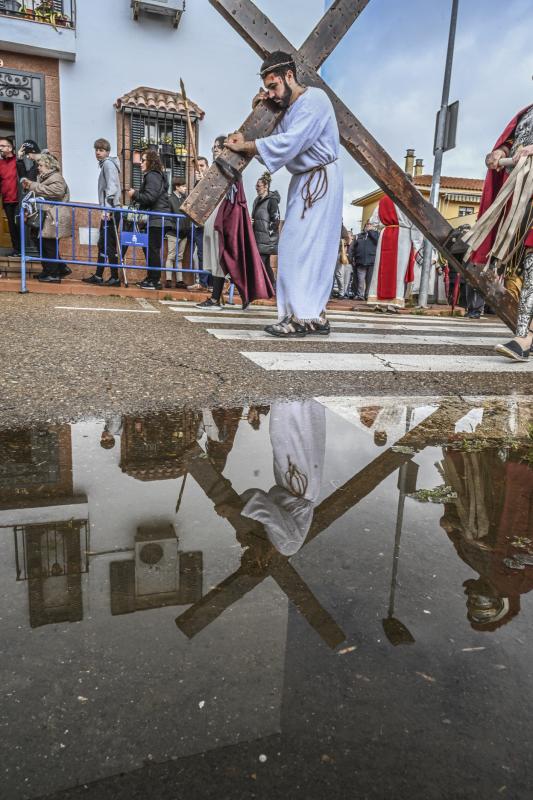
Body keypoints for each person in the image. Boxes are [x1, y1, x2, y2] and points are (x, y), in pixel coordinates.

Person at [225, 49, 343, 337]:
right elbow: (282, 135)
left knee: (302, 250)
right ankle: (312, 314)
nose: (273, 93)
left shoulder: (315, 100)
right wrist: (263, 113)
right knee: (302, 248)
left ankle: (302, 316)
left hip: (321, 181)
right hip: (305, 182)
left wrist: (247, 145)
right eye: (268, 88)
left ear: (290, 76)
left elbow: (290, 142)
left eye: (274, 86)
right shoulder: (290, 109)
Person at [467, 103, 533, 360]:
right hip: (522, 198)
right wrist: (500, 151)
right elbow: (513, 141)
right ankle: (526, 335)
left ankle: (524, 338)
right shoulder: (527, 113)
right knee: (524, 265)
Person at [20, 153, 72, 283]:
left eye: (41, 165)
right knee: (42, 243)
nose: (38, 167)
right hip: (46, 215)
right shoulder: (44, 178)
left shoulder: (56, 177)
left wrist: (32, 185)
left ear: (49, 166)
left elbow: (56, 192)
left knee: (49, 244)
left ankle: (53, 274)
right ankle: (54, 269)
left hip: (52, 215)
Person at [366, 194, 423, 310]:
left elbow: (373, 221)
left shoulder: (383, 200)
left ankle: (378, 301)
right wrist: (416, 243)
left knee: (381, 268)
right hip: (403, 235)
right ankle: (393, 303)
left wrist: (383, 226)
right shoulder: (408, 198)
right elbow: (415, 223)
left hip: (385, 233)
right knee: (399, 270)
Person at [127, 149, 172, 290]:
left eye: (143, 160)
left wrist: (135, 194)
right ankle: (151, 278)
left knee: (152, 249)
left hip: (157, 218)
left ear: (151, 162)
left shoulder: (152, 175)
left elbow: (150, 197)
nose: (140, 163)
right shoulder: (155, 175)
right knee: (150, 249)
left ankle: (155, 281)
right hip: (156, 217)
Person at [82, 137, 122, 287]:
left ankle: (115, 277)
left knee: (109, 244)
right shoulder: (106, 164)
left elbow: (111, 187)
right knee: (103, 243)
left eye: (101, 150)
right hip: (109, 209)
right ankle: (99, 275)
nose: (98, 153)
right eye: (97, 150)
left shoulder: (108, 165)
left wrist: (107, 208)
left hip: (111, 209)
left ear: (107, 152)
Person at [196, 137, 229, 309]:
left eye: (218, 146)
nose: (215, 149)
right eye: (214, 146)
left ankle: (216, 298)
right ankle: (215, 296)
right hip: (211, 215)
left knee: (218, 258)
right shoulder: (215, 168)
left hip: (220, 215)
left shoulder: (226, 166)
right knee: (211, 257)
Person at [251, 171, 280, 286]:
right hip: (257, 238)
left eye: (259, 186)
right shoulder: (256, 201)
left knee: (261, 263)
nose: (256, 188)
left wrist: (269, 235)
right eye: (256, 186)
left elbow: (276, 220)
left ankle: (262, 287)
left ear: (266, 186)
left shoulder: (272, 201)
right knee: (265, 264)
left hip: (266, 239)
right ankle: (271, 285)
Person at [164, 178, 191, 289]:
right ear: (177, 187)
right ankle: (168, 280)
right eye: (183, 186)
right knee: (171, 256)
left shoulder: (185, 198)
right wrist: (174, 226)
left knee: (179, 257)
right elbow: (168, 215)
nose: (185, 188)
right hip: (173, 232)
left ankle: (180, 281)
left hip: (184, 232)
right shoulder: (170, 199)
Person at [350, 220, 379, 301]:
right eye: (367, 224)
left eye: (370, 224)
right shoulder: (358, 236)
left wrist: (371, 231)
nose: (368, 226)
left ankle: (367, 295)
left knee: (369, 280)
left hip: (372, 261)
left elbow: (377, 241)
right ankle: (360, 295)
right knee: (360, 279)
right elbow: (352, 248)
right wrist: (351, 258)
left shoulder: (376, 235)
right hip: (360, 261)